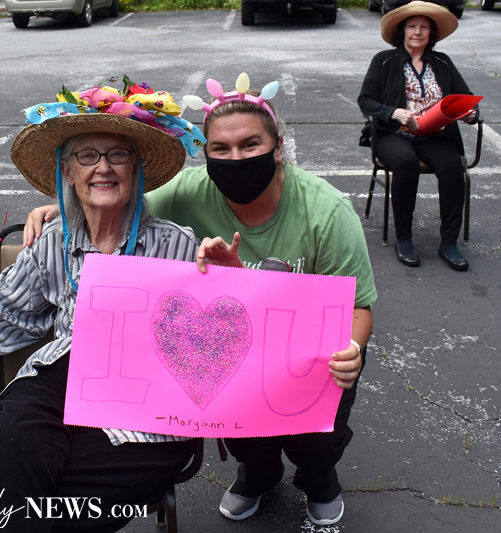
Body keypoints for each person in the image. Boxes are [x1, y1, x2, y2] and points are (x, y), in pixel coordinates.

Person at [0, 79, 232, 532]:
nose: (103, 167)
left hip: (145, 402)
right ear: (68, 172)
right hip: (60, 375)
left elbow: (217, 344)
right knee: (15, 438)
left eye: (118, 154)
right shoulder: (54, 242)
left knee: (7, 495)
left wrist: (229, 280)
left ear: (136, 168)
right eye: (87, 156)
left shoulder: (177, 245)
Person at [24, 72, 377, 526]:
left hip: (309, 351)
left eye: (250, 145)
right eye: (220, 149)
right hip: (233, 341)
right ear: (205, 153)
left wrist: (351, 348)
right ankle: (258, 472)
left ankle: (320, 477)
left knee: (317, 436)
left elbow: (359, 303)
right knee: (239, 413)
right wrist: (68, 205)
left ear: (278, 147)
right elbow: (119, 199)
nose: (236, 158)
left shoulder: (326, 211)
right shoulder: (189, 192)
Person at [358, 2, 477, 271]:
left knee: (452, 166)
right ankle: (404, 239)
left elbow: (465, 98)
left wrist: (469, 114)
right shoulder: (384, 60)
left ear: (431, 33)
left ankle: (449, 243)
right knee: (406, 163)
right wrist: (394, 112)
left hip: (434, 133)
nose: (418, 32)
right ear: (402, 31)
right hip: (393, 133)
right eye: (412, 26)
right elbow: (365, 100)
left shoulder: (443, 62)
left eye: (424, 27)